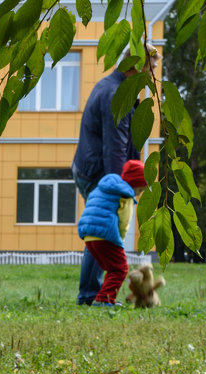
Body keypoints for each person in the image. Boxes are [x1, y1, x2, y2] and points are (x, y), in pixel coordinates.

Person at [72, 47, 159, 305]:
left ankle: (89, 294)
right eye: (149, 68)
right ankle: (91, 295)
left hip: (94, 170)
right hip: (100, 174)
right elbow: (115, 148)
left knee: (99, 232)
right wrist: (122, 190)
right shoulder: (115, 95)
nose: (152, 75)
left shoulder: (117, 88)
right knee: (103, 232)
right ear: (134, 65)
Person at [76, 159, 148, 307]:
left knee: (109, 267)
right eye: (140, 190)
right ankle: (104, 299)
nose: (139, 194)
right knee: (120, 268)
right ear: (134, 184)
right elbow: (123, 222)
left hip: (89, 234)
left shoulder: (105, 187)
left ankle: (88, 297)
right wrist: (119, 242)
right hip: (105, 234)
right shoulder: (125, 194)